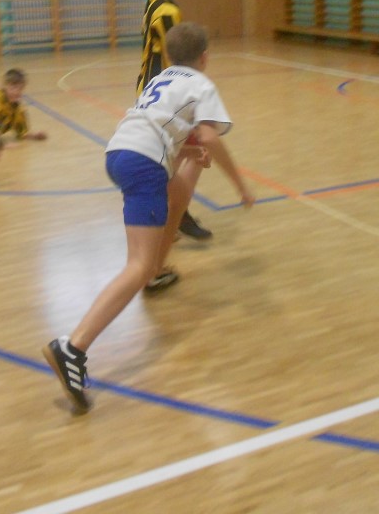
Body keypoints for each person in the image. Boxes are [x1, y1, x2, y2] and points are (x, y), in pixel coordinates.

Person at [43, 22, 254, 412]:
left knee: (174, 196)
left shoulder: (162, 79)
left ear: (171, 56)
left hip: (119, 153)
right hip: (144, 164)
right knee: (137, 266)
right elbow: (209, 136)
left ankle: (157, 271)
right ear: (205, 57)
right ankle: (73, 346)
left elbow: (164, 133)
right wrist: (240, 185)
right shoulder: (201, 83)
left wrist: (189, 153)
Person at [136, 0, 212, 243]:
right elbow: (176, 57)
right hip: (164, 95)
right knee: (188, 152)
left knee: (173, 156)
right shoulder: (167, 10)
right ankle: (176, 214)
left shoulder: (152, 1)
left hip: (150, 88)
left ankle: (172, 213)